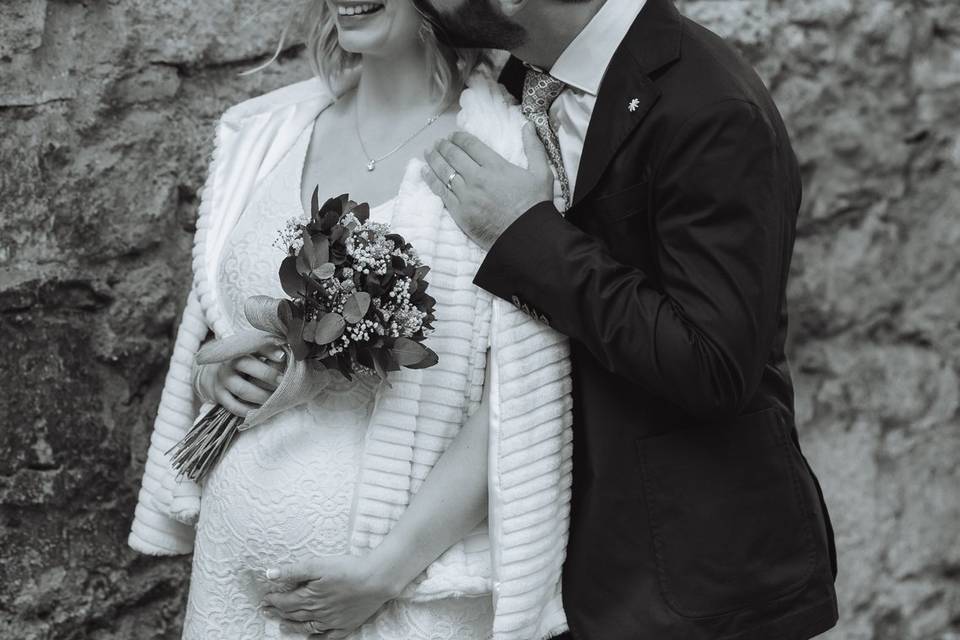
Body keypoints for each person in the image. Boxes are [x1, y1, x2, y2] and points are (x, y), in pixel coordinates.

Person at [128, 1, 574, 638]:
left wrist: (384, 574)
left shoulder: (504, 152)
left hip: (403, 593)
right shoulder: (262, 134)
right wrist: (217, 379)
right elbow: (217, 324)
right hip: (231, 573)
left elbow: (520, 400)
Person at [414, 0, 841, 639]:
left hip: (700, 581)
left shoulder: (710, 107)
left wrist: (526, 234)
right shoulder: (510, 89)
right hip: (559, 570)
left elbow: (712, 365)